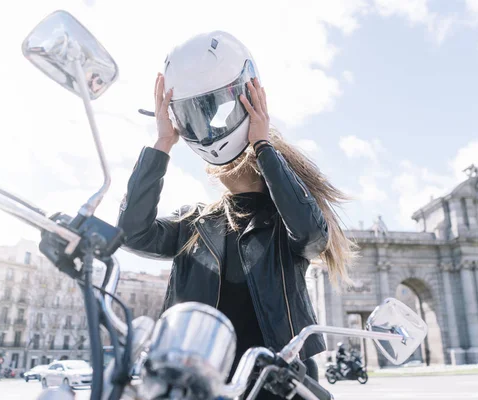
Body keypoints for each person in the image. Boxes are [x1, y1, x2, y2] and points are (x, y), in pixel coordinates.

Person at [118, 31, 355, 399]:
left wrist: (263, 145)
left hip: (278, 382)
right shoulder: (192, 225)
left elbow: (311, 233)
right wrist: (162, 142)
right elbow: (132, 233)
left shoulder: (284, 222)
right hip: (199, 384)